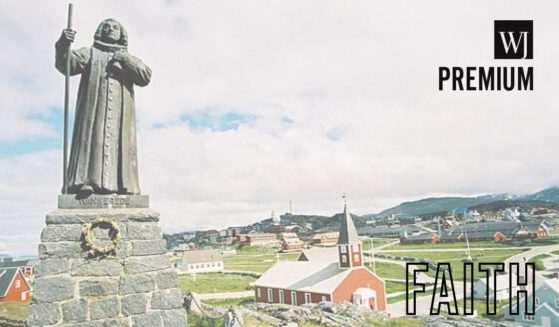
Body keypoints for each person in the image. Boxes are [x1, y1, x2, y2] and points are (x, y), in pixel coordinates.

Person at [55, 18, 152, 195]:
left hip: (121, 116)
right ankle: (84, 183)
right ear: (100, 31)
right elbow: (68, 65)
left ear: (122, 34)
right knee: (93, 141)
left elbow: (144, 76)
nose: (110, 29)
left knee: (119, 146)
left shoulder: (128, 57)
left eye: (115, 27)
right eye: (106, 26)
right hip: (93, 111)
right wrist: (63, 45)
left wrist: (125, 58)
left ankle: (123, 187)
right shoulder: (89, 52)